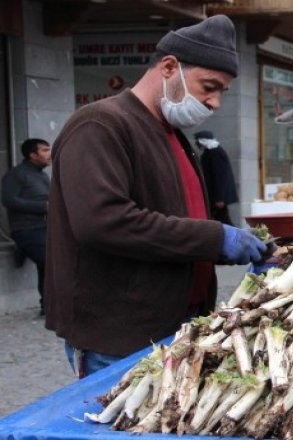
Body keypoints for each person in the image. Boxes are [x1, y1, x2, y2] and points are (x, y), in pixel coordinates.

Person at [44, 15, 267, 378]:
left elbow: (173, 221)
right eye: (209, 87)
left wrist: (230, 245)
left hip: (176, 326)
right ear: (169, 67)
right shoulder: (99, 125)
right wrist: (215, 238)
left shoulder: (173, 134)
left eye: (221, 91)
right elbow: (103, 222)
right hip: (120, 336)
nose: (214, 103)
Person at [2, 138, 51, 315]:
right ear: (32, 155)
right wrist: (42, 207)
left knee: (49, 264)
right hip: (26, 229)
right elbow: (8, 200)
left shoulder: (42, 175)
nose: (49, 154)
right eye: (45, 150)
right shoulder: (17, 174)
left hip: (45, 228)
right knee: (48, 261)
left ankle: (49, 306)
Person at [195, 130, 239, 226]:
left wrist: (219, 198)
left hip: (217, 197)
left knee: (224, 221)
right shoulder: (210, 152)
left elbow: (220, 176)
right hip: (214, 196)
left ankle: (238, 238)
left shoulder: (215, 152)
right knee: (222, 220)